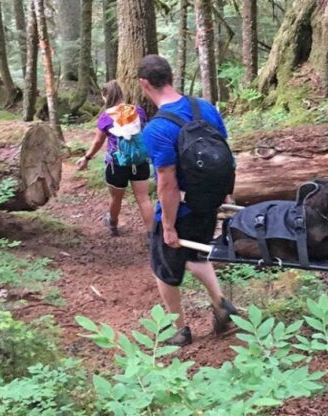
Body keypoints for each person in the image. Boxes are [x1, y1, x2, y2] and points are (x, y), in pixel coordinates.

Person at [138, 54, 237, 347]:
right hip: (208, 202)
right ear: (170, 76)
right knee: (196, 255)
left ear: (145, 84)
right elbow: (224, 154)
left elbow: (167, 181)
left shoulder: (156, 128)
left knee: (163, 268)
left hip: (180, 207)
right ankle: (221, 306)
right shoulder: (203, 107)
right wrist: (226, 196)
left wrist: (167, 225)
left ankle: (177, 330)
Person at [76, 80, 154, 236]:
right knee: (144, 198)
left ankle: (112, 223)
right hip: (140, 161)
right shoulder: (138, 110)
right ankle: (153, 235)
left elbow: (98, 141)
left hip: (116, 163)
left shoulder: (106, 116)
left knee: (116, 198)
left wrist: (87, 157)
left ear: (106, 96)